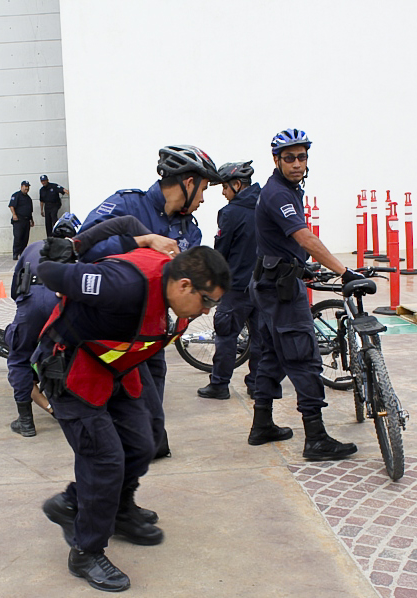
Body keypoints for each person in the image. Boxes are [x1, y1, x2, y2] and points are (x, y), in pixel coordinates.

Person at [36, 245, 230, 591]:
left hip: (116, 366)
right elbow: (50, 271)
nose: (206, 311)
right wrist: (73, 251)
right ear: (185, 285)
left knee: (143, 443)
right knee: (105, 459)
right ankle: (86, 550)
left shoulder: (175, 297)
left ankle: (109, 509)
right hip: (72, 368)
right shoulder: (122, 284)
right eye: (207, 301)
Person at [78, 144, 222, 459]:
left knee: (152, 397)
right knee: (136, 406)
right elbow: (82, 248)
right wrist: (141, 240)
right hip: (113, 327)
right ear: (188, 182)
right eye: (203, 190)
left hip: (153, 329)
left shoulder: (189, 230)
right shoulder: (126, 205)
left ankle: (140, 454)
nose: (202, 199)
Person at [6, 212, 178, 438]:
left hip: (31, 300)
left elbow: (14, 288)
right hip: (60, 298)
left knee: (19, 357)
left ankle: (26, 420)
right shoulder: (84, 254)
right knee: (68, 349)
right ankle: (73, 404)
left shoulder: (34, 247)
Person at [248, 128, 361, 461]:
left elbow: (280, 243)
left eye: (302, 157)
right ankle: (316, 438)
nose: (297, 164)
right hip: (280, 291)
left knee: (270, 355)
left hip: (270, 283)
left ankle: (262, 424)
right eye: (290, 158)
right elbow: (303, 237)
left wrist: (304, 266)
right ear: (276, 160)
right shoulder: (278, 194)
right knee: (302, 356)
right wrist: (344, 271)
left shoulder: (286, 189)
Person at [198, 161, 263, 400]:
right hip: (263, 285)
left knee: (226, 336)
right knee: (260, 339)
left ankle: (219, 384)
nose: (224, 193)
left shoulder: (231, 212)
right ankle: (256, 384)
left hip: (236, 287)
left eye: (224, 188)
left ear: (237, 185)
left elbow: (221, 250)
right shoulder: (265, 204)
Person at [9, 180, 34, 259]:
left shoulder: (28, 198)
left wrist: (31, 220)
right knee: (18, 237)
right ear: (21, 187)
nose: (27, 189)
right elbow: (11, 206)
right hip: (18, 220)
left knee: (25, 237)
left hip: (26, 220)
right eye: (25, 187)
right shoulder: (16, 195)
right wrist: (14, 215)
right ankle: (15, 253)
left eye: (28, 187)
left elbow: (29, 210)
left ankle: (22, 253)